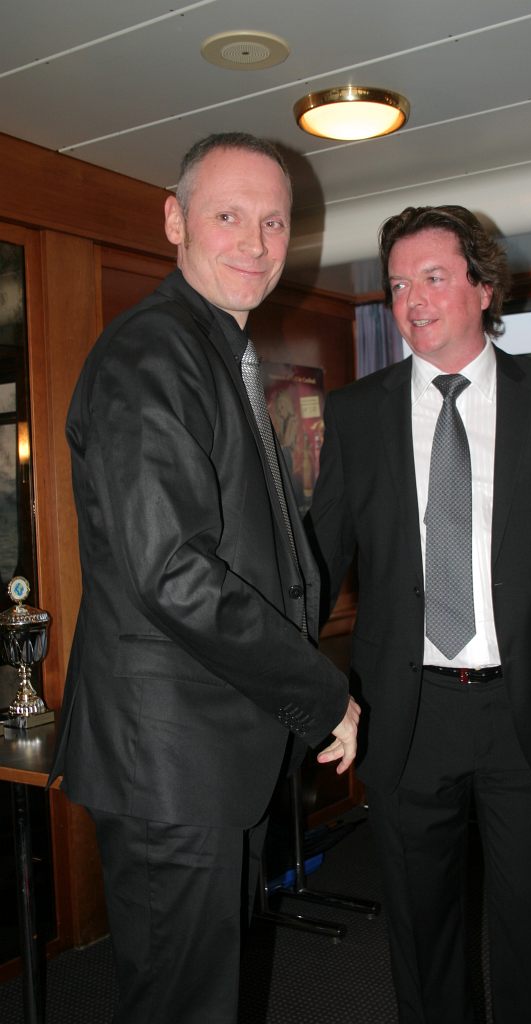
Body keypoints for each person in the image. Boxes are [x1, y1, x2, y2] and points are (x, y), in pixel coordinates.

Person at [49, 132, 359, 1024]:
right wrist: (321, 693)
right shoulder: (154, 351)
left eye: (274, 222)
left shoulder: (213, 349)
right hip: (169, 762)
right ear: (175, 221)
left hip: (207, 757)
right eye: (229, 215)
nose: (255, 244)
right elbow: (175, 573)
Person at [307, 204, 531, 1024]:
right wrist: (293, 685)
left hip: (530, 714)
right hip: (404, 713)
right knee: (422, 933)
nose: (411, 299)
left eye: (433, 277)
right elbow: (316, 569)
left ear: (484, 288)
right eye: (396, 285)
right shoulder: (356, 413)